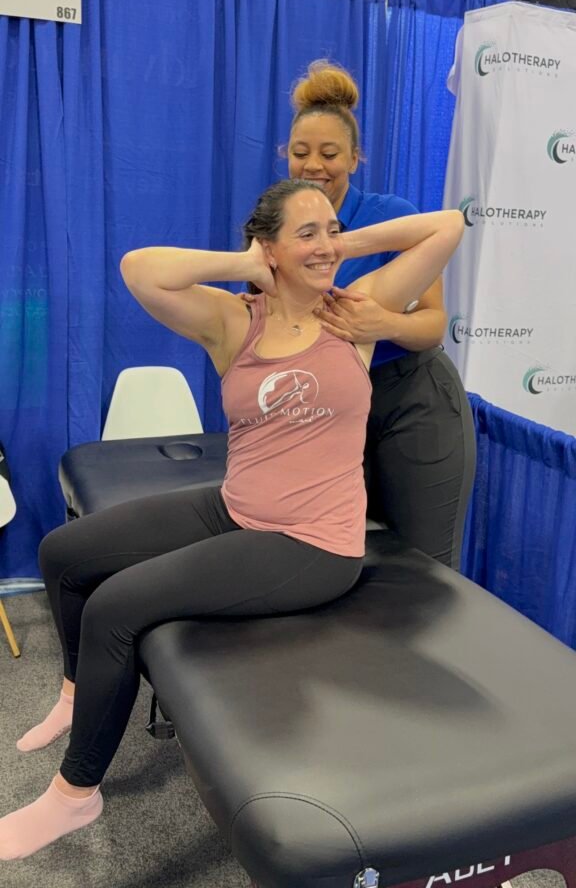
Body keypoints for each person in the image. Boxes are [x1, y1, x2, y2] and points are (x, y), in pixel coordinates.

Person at [0, 179, 463, 861]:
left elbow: (448, 226)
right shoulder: (234, 319)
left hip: (313, 544)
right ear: (267, 245)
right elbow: (138, 269)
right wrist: (248, 264)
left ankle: (75, 795)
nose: (325, 243)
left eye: (330, 229)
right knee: (65, 554)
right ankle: (75, 693)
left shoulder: (358, 311)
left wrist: (338, 243)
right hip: (235, 505)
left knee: (114, 609)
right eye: (305, 232)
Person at [284, 60, 476, 568]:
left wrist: (384, 324)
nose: (314, 166)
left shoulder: (394, 217)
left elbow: (434, 324)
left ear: (355, 158)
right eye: (300, 153)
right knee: (334, 558)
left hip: (411, 399)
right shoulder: (275, 225)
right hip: (328, 407)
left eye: (330, 154)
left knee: (424, 568)